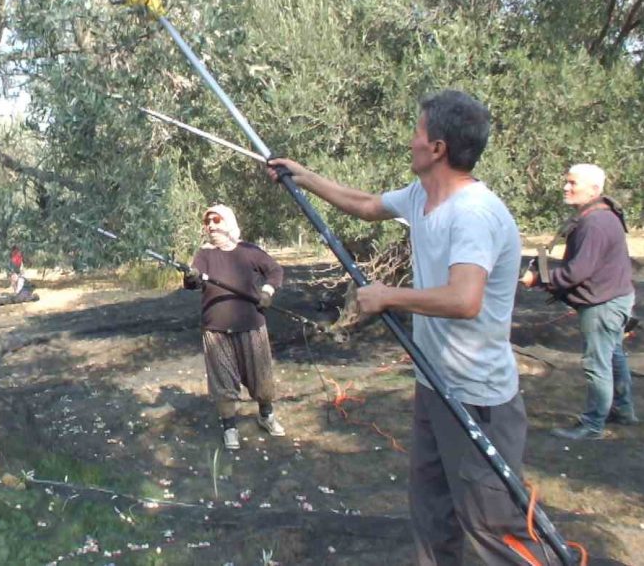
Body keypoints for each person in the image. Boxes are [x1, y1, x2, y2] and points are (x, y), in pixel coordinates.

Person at [268, 90, 556, 565]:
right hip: (434, 385)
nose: (410, 139)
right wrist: (302, 176)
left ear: (438, 147)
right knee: (431, 515)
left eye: (418, 131)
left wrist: (388, 297)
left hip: (478, 398)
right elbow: (363, 204)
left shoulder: (474, 213)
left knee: (492, 527)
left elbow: (465, 299)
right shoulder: (423, 195)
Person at [521, 164, 637, 439]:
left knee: (597, 363)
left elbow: (577, 272)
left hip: (604, 304)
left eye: (573, 183)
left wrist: (538, 280)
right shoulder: (600, 216)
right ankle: (622, 410)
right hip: (614, 297)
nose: (566, 187)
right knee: (613, 355)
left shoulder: (595, 222)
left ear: (595, 190)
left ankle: (592, 425)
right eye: (567, 182)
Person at [183, 204, 285, 450]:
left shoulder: (249, 251)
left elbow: (275, 270)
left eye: (216, 220)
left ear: (228, 222)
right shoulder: (204, 254)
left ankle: (266, 415)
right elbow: (193, 282)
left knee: (261, 377)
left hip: (251, 326)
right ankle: (229, 427)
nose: (211, 226)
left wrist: (267, 291)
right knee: (223, 382)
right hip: (216, 330)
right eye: (207, 222)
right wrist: (191, 276)